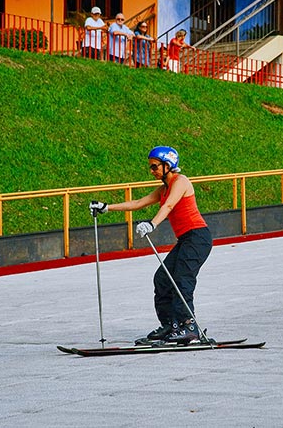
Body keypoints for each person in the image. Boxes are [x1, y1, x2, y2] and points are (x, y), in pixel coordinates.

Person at [89, 146, 213, 344]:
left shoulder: (181, 182)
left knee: (181, 280)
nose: (152, 171)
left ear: (167, 165)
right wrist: (107, 207)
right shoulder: (163, 189)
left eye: (155, 167)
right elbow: (138, 202)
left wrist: (152, 224)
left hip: (198, 238)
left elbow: (169, 205)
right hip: (186, 240)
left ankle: (189, 327)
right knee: (163, 279)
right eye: (151, 167)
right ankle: (170, 325)